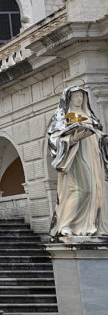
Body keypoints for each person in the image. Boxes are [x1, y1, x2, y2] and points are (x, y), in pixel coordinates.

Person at [47, 86, 108, 237]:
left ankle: (91, 225)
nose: (79, 99)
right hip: (74, 157)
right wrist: (73, 138)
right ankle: (66, 225)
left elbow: (99, 136)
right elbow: (53, 140)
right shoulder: (60, 117)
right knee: (80, 190)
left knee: (96, 191)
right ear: (68, 98)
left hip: (93, 156)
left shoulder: (90, 116)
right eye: (75, 96)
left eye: (81, 96)